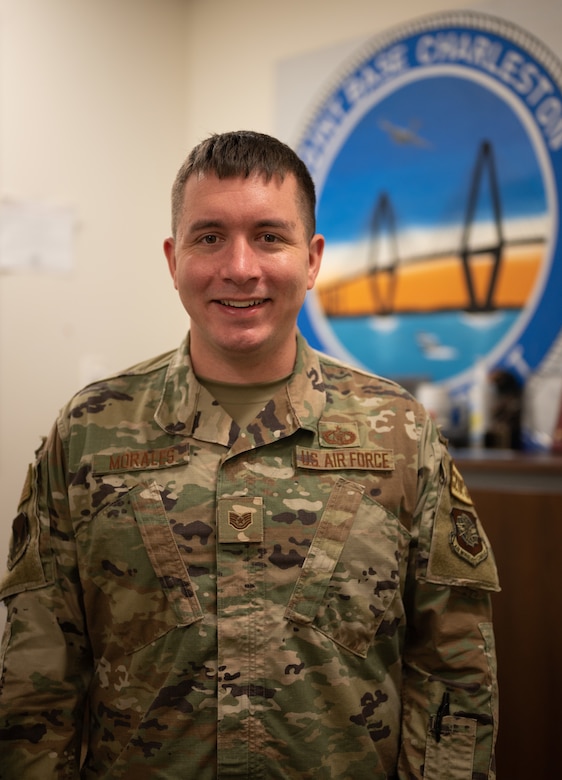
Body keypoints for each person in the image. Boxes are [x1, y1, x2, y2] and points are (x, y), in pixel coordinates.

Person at [0, 130, 500, 779]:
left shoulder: (399, 434)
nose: (240, 267)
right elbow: (38, 679)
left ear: (312, 258)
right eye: (209, 237)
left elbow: (454, 672)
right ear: (173, 258)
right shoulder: (90, 432)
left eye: (269, 236)